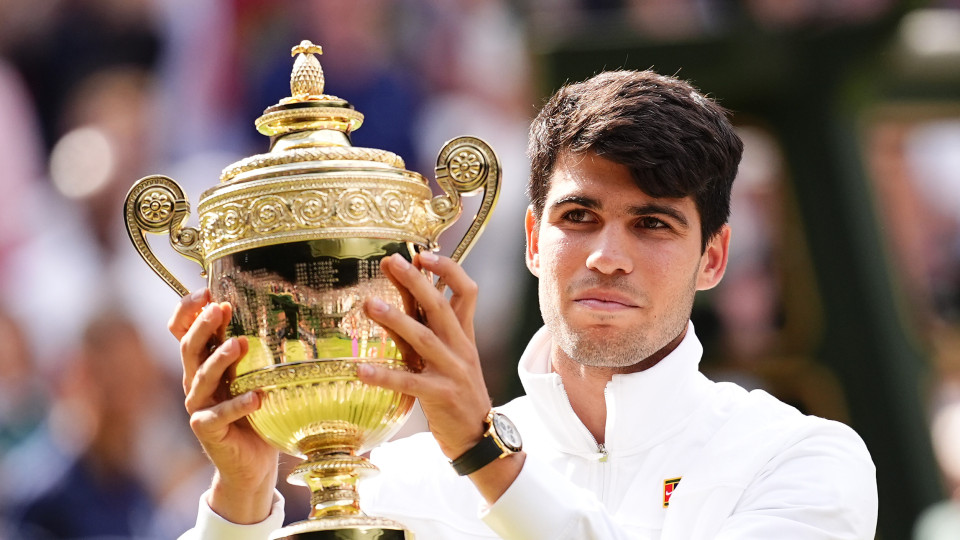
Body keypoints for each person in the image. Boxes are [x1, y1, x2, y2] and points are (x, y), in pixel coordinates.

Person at [170, 70, 878, 539]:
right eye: (579, 217)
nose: (607, 254)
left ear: (713, 258)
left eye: (652, 224)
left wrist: (483, 451)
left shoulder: (801, 458)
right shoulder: (401, 486)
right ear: (534, 239)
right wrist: (241, 499)